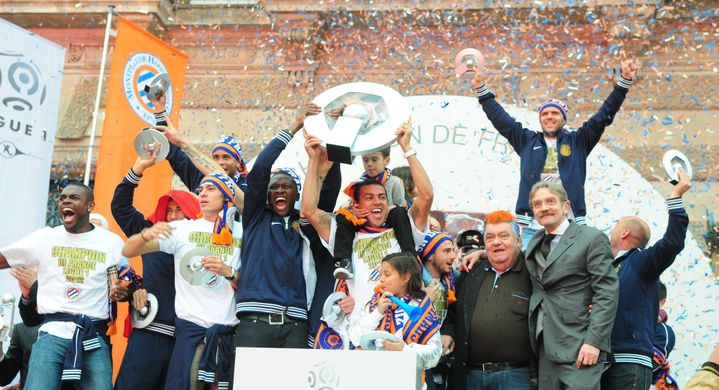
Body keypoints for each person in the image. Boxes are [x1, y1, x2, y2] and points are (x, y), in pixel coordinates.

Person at [301, 120, 434, 348]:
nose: (378, 202)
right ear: (357, 204)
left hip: (401, 329)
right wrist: (314, 161)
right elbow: (309, 210)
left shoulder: (404, 228)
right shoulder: (344, 235)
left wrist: (407, 148)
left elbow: (427, 196)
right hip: (359, 327)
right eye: (369, 197)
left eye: (382, 197)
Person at [469, 59, 637, 238]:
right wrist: (481, 90)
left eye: (555, 113)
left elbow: (603, 116)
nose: (549, 117)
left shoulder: (578, 141)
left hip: (570, 222)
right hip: (531, 224)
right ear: (540, 119)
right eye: (545, 114)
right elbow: (501, 120)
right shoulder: (527, 140)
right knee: (529, 264)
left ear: (564, 119)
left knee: (569, 266)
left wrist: (623, 83)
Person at [233, 103, 342, 352]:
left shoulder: (302, 222)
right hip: (255, 320)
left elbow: (327, 195)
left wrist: (334, 135)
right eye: (274, 187)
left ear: (296, 194)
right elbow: (260, 170)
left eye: (286, 186)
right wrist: (294, 126)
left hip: (295, 323)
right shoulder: (255, 217)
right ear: (266, 194)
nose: (280, 190)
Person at [0, 183, 127, 389]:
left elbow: (127, 283)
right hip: (51, 333)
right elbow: (4, 258)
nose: (65, 201)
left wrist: (124, 291)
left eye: (74, 197)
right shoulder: (45, 237)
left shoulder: (111, 243)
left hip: (92, 335)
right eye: (62, 198)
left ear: (89, 205)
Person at [122, 173, 241, 390]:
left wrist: (229, 272)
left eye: (211, 189)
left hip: (228, 334)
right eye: (201, 189)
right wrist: (146, 234)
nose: (203, 193)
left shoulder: (242, 232)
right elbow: (128, 249)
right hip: (191, 332)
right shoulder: (184, 229)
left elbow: (251, 284)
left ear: (226, 196)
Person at [111, 149, 200, 390]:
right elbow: (120, 208)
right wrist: (137, 170)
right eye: (168, 210)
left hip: (186, 338)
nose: (172, 217)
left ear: (193, 213)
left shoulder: (204, 241)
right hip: (150, 332)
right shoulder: (151, 234)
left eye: (179, 210)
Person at [524, 182, 618, 389]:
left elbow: (607, 293)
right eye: (537, 204)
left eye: (550, 201)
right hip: (545, 345)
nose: (544, 207)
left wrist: (594, 342)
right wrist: (481, 253)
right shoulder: (535, 242)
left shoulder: (591, 238)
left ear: (565, 206)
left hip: (581, 345)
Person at [602, 169, 690, 389]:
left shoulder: (641, 262)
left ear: (624, 234)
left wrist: (675, 199)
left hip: (630, 361)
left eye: (614, 226)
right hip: (602, 359)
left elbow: (672, 244)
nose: (610, 231)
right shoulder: (609, 268)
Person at [442, 210, 533, 390]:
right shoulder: (471, 273)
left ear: (518, 240)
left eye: (504, 236)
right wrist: (448, 332)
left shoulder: (532, 273)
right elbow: (453, 314)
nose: (496, 242)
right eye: (490, 237)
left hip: (516, 376)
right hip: (471, 376)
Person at [350, 252, 441, 388]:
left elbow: (435, 353)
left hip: (409, 382)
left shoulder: (421, 307)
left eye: (387, 275)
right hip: (374, 381)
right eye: (380, 274)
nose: (381, 279)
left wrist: (405, 350)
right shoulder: (374, 304)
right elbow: (356, 339)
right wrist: (378, 313)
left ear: (405, 277)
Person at [417, 232, 458, 390]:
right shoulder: (413, 281)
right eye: (446, 251)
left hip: (441, 360)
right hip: (417, 356)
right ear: (429, 255)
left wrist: (449, 332)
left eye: (453, 250)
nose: (453, 256)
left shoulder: (453, 280)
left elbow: (453, 315)